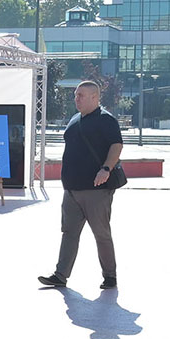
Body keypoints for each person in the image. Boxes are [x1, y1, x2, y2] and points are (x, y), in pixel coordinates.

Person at [38, 80, 123, 291]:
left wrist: (106, 168)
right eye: (76, 95)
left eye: (81, 95)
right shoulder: (74, 119)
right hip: (71, 189)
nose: (76, 99)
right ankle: (60, 275)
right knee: (69, 233)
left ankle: (110, 276)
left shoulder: (106, 120)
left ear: (95, 97)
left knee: (101, 234)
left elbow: (116, 145)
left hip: (96, 189)